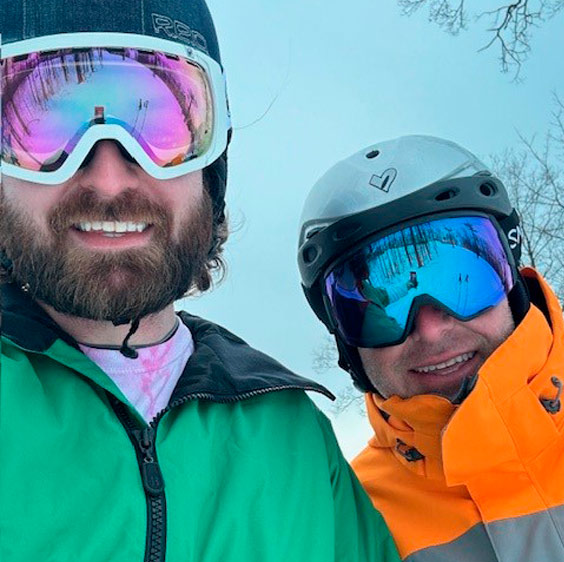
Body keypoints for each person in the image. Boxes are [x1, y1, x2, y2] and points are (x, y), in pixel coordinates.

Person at [0, 2, 401, 561]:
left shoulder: (296, 441)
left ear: (211, 168)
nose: (110, 178)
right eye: (44, 126)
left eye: (159, 124)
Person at [298, 135, 564, 561]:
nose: (431, 329)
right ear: (344, 341)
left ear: (511, 279)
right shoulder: (346, 522)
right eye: (381, 306)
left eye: (462, 278)